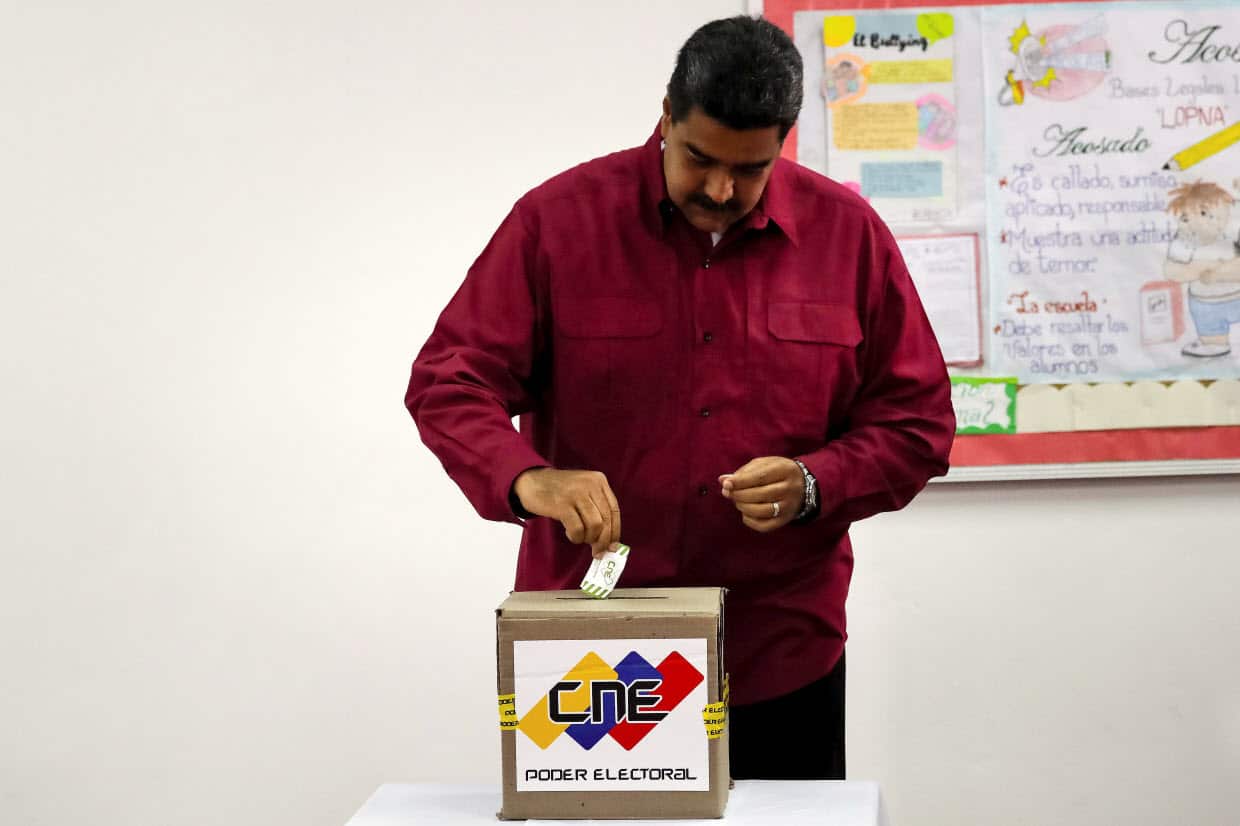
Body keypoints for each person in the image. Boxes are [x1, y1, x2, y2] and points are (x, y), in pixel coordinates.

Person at [406, 15, 955, 779]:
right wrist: (529, 478)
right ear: (667, 115)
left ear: (784, 141)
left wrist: (814, 483)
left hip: (776, 655)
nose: (721, 190)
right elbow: (449, 379)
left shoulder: (849, 237)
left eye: (751, 168)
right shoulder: (558, 223)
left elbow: (918, 423)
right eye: (700, 158)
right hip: (594, 655)